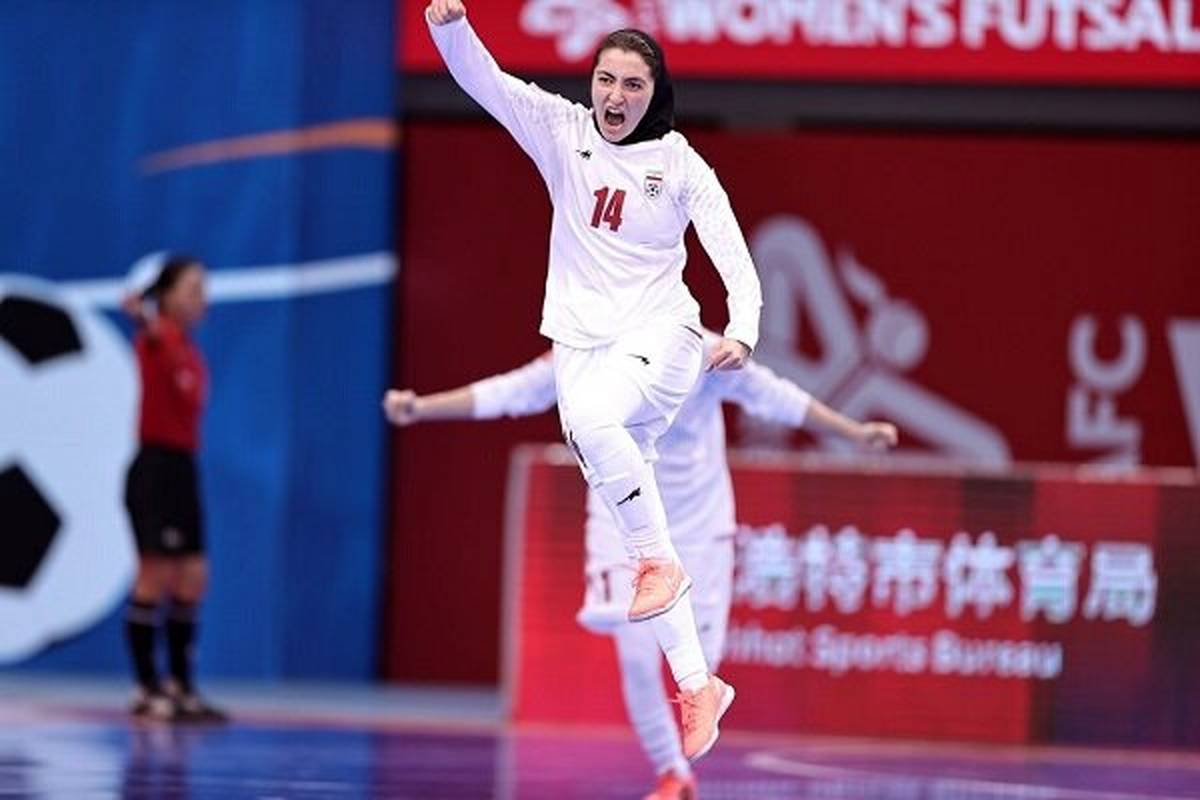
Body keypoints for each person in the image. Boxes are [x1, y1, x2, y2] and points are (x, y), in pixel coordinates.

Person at [425, 0, 764, 760]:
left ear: (655, 93)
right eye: (606, 80)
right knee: (623, 491)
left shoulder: (679, 162)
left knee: (600, 435)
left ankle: (658, 566)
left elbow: (730, 249)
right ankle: (697, 682)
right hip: (583, 348)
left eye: (633, 84)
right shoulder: (562, 131)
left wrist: (743, 327)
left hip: (663, 336)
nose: (615, 95)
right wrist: (450, 29)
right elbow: (485, 81)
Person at [383, 333, 898, 799]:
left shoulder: (702, 350)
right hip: (626, 526)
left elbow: (778, 397)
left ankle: (693, 721)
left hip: (699, 527)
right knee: (636, 660)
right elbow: (513, 391)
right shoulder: (582, 349)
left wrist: (854, 432)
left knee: (699, 666)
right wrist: (422, 408)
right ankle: (674, 774)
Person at [120, 252, 225, 723]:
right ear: (167, 295)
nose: (203, 299)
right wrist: (142, 310)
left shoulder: (187, 348)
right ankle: (146, 688)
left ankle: (182, 685)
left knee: (193, 576)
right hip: (156, 469)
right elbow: (143, 321)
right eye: (194, 289)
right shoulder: (156, 337)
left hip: (183, 468)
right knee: (154, 575)